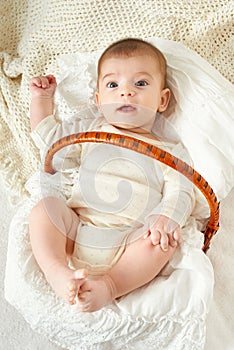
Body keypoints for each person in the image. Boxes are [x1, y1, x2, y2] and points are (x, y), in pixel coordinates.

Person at [29, 38, 194, 312]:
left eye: (140, 84)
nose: (126, 93)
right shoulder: (91, 132)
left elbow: (182, 189)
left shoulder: (169, 149)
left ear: (162, 100)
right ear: (98, 100)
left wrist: (168, 217)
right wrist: (42, 100)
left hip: (131, 239)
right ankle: (57, 270)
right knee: (44, 210)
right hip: (77, 229)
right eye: (112, 85)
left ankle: (111, 285)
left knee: (162, 242)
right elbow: (49, 140)